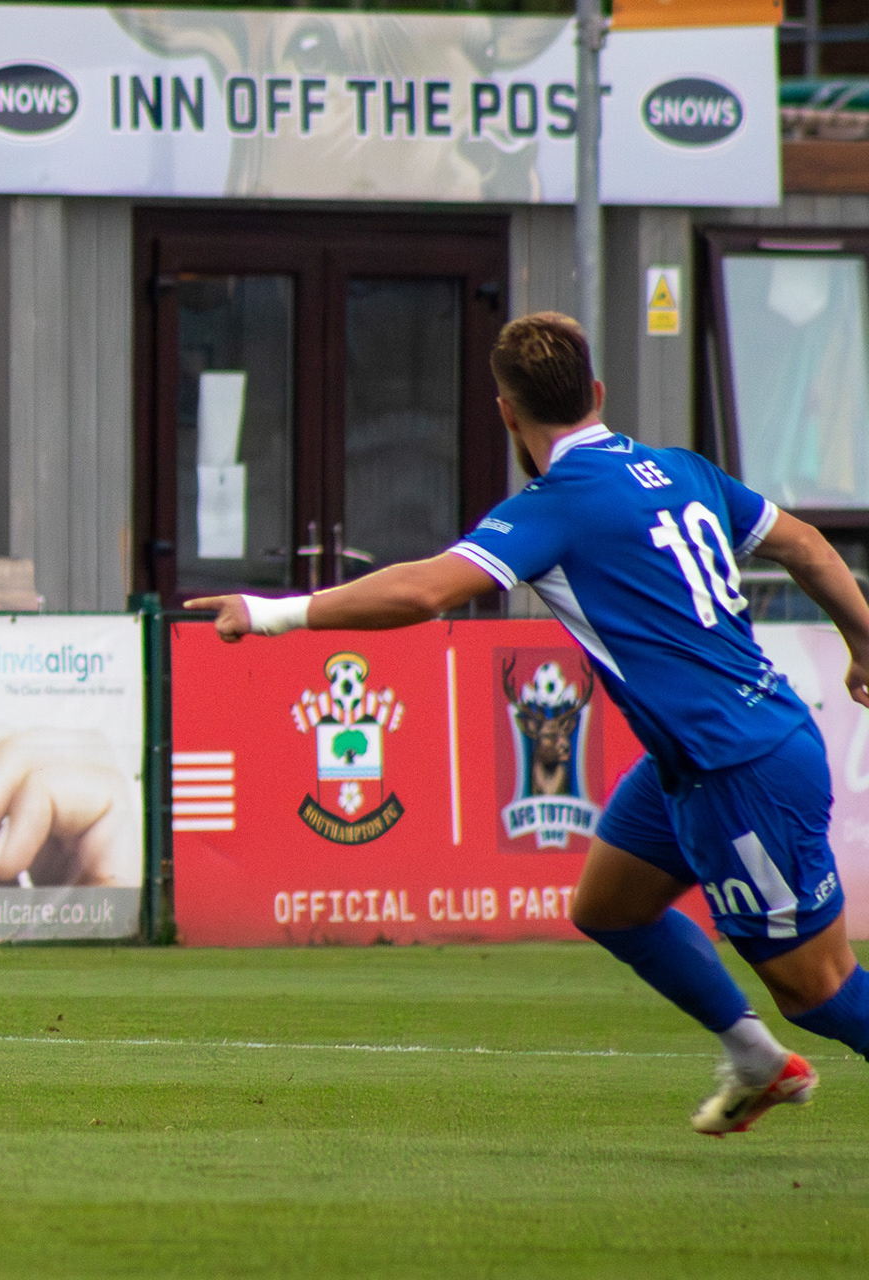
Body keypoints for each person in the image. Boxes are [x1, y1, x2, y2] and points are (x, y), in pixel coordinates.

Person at [190, 311, 869, 1137]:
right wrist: (863, 646)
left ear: (507, 413)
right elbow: (802, 544)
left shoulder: (557, 506)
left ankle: (775, 1044)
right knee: (609, 907)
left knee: (819, 989)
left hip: (739, 769)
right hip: (701, 756)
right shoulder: (681, 469)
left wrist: (272, 614)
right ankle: (756, 1060)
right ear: (597, 394)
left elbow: (420, 592)